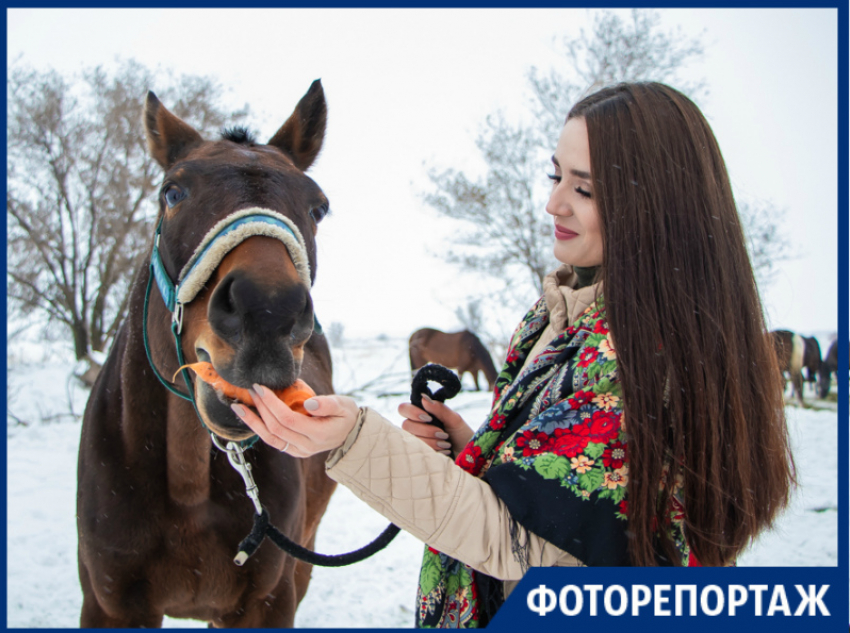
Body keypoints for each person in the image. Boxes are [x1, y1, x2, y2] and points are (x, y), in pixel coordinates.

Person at [232, 82, 796, 628]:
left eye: (585, 189)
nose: (553, 203)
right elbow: (572, 501)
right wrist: (477, 454)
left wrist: (353, 438)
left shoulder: (638, 357)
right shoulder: (561, 317)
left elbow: (517, 543)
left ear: (655, 205)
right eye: (556, 175)